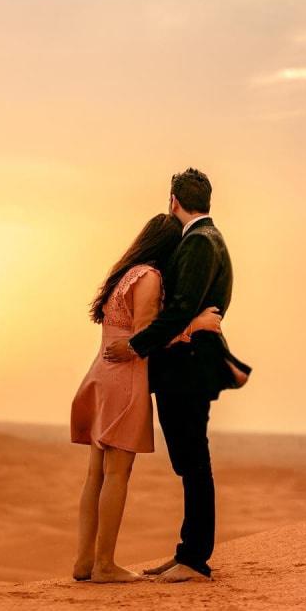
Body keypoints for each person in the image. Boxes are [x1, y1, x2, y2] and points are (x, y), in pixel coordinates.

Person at [104, 168, 252, 583]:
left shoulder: (201, 242)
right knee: (189, 462)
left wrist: (134, 346)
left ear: (173, 200)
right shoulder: (204, 239)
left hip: (187, 368)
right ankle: (187, 553)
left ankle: (194, 560)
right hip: (184, 365)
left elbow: (179, 309)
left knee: (194, 462)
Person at [70, 212, 223, 583]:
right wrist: (194, 326)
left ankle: (84, 562)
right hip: (124, 380)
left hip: (100, 375)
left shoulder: (122, 275)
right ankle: (105, 564)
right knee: (118, 473)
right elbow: (145, 337)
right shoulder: (149, 277)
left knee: (96, 473)